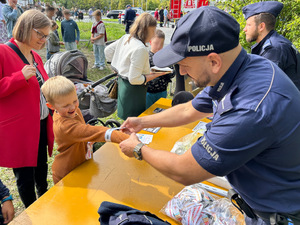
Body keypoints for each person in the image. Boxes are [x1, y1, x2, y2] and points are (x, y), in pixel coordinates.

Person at [119, 6, 300, 225]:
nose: (182, 73)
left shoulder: (251, 108)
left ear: (214, 61)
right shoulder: (243, 68)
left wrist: (138, 148)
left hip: (277, 215)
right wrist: (143, 121)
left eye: (184, 65)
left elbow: (183, 170)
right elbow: (190, 108)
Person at [0, 9, 54, 208]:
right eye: (40, 34)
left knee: (41, 169)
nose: (43, 40)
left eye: (46, 36)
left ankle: (45, 202)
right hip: (19, 129)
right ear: (25, 28)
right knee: (25, 176)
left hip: (39, 123)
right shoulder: (3, 52)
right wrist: (19, 78)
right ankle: (32, 211)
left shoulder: (35, 56)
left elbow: (43, 86)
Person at [41, 76, 129, 184]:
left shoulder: (67, 112)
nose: (73, 107)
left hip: (81, 165)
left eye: (74, 101)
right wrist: (129, 139)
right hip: (67, 173)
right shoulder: (65, 126)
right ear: (51, 106)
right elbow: (98, 132)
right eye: (66, 105)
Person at [105, 13, 169, 120]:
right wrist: (155, 75)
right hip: (134, 91)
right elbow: (134, 79)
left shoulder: (126, 37)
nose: (153, 34)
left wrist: (118, 67)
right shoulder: (140, 48)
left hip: (123, 86)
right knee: (134, 120)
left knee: (126, 120)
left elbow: (107, 51)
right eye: (153, 31)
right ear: (146, 30)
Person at [243, 1, 300, 90]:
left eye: (248, 25)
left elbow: (263, 87)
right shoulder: (277, 43)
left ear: (261, 26)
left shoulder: (274, 49)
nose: (244, 29)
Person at [146, 29, 174, 108]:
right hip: (148, 92)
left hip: (162, 91)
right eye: (156, 43)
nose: (158, 47)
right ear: (150, 42)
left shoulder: (165, 57)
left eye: (161, 44)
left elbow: (172, 73)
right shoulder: (146, 56)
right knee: (148, 114)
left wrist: (168, 72)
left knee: (160, 113)